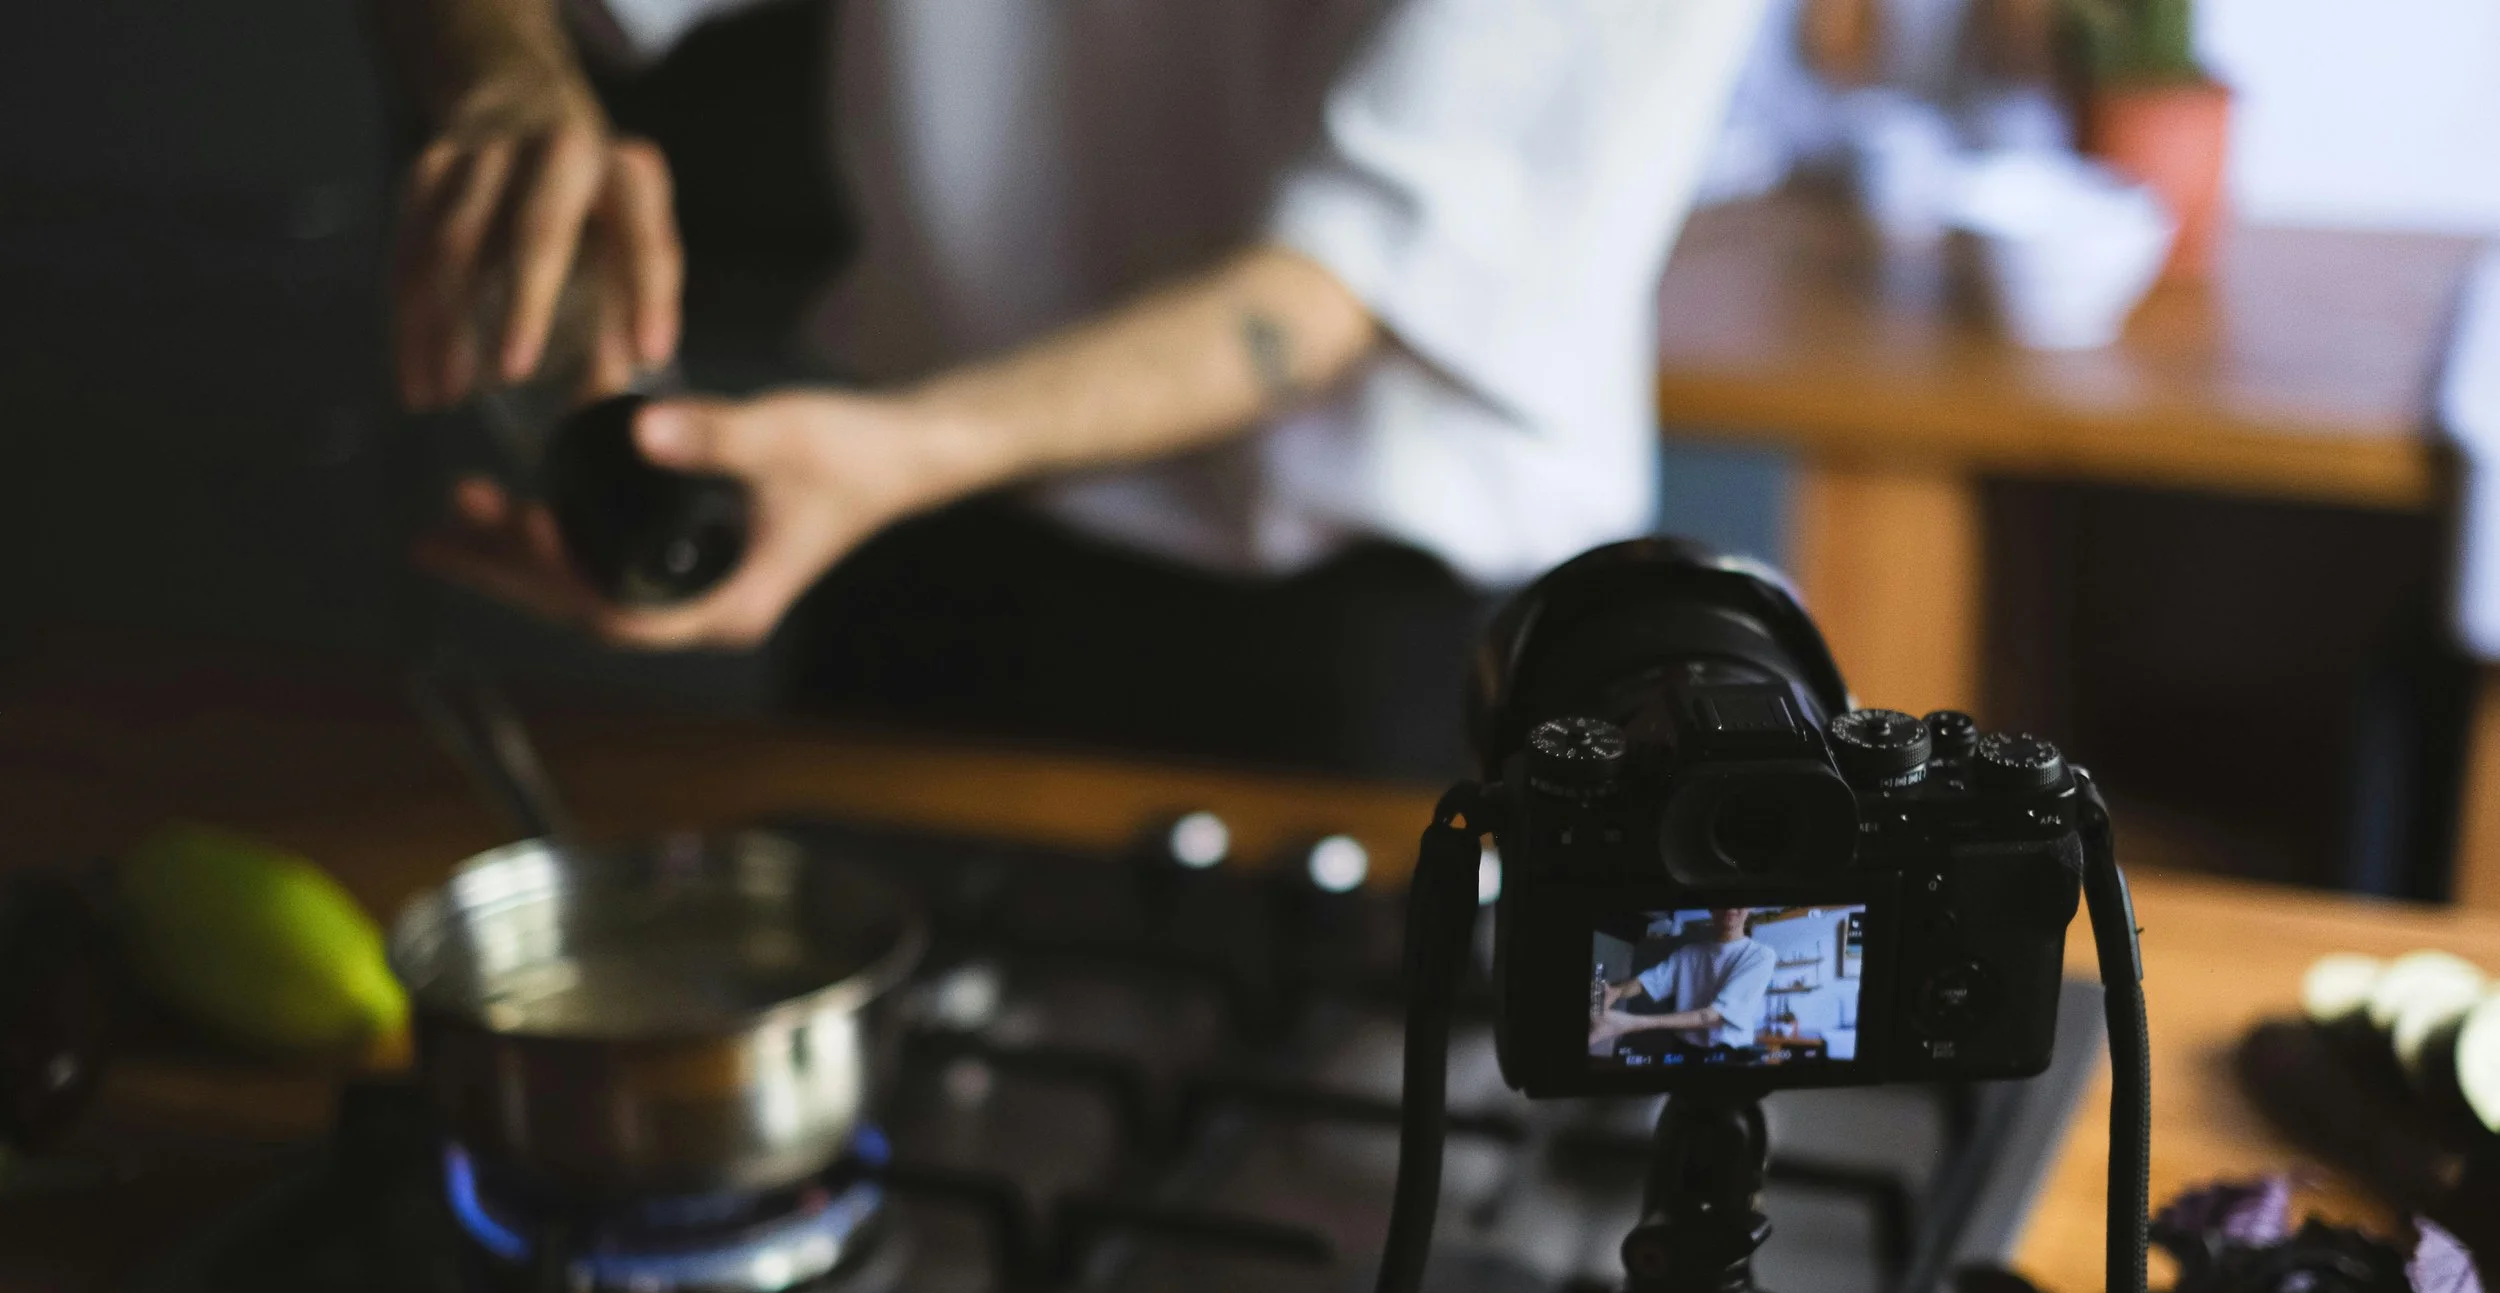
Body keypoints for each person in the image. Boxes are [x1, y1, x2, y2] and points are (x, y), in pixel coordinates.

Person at [382, 0, 1773, 775]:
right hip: (914, 569)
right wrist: (506, 82)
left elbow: (1335, 291)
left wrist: (894, 455)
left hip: (1378, 658)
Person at [1593, 908, 1777, 1056]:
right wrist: (1615, 991)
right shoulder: (1688, 953)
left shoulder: (1760, 955)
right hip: (1684, 1049)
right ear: (1711, 909)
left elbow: (1715, 1016)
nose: (1730, 907)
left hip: (1730, 1054)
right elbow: (1647, 982)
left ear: (1750, 908)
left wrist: (1632, 1023)